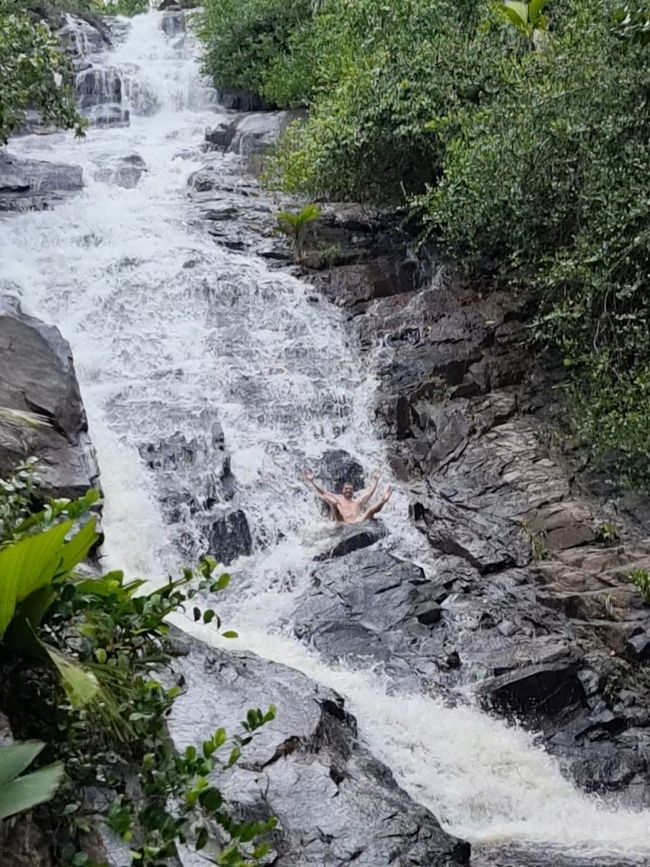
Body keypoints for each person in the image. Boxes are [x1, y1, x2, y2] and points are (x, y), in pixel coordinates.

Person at [303, 468, 392, 524]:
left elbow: (369, 493)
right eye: (346, 489)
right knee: (337, 509)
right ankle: (333, 505)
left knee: (371, 511)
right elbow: (324, 492)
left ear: (353, 491)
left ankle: (383, 500)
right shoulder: (338, 498)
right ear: (342, 490)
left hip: (357, 521)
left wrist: (376, 480)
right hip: (342, 521)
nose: (348, 490)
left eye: (350, 489)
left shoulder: (357, 501)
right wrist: (312, 481)